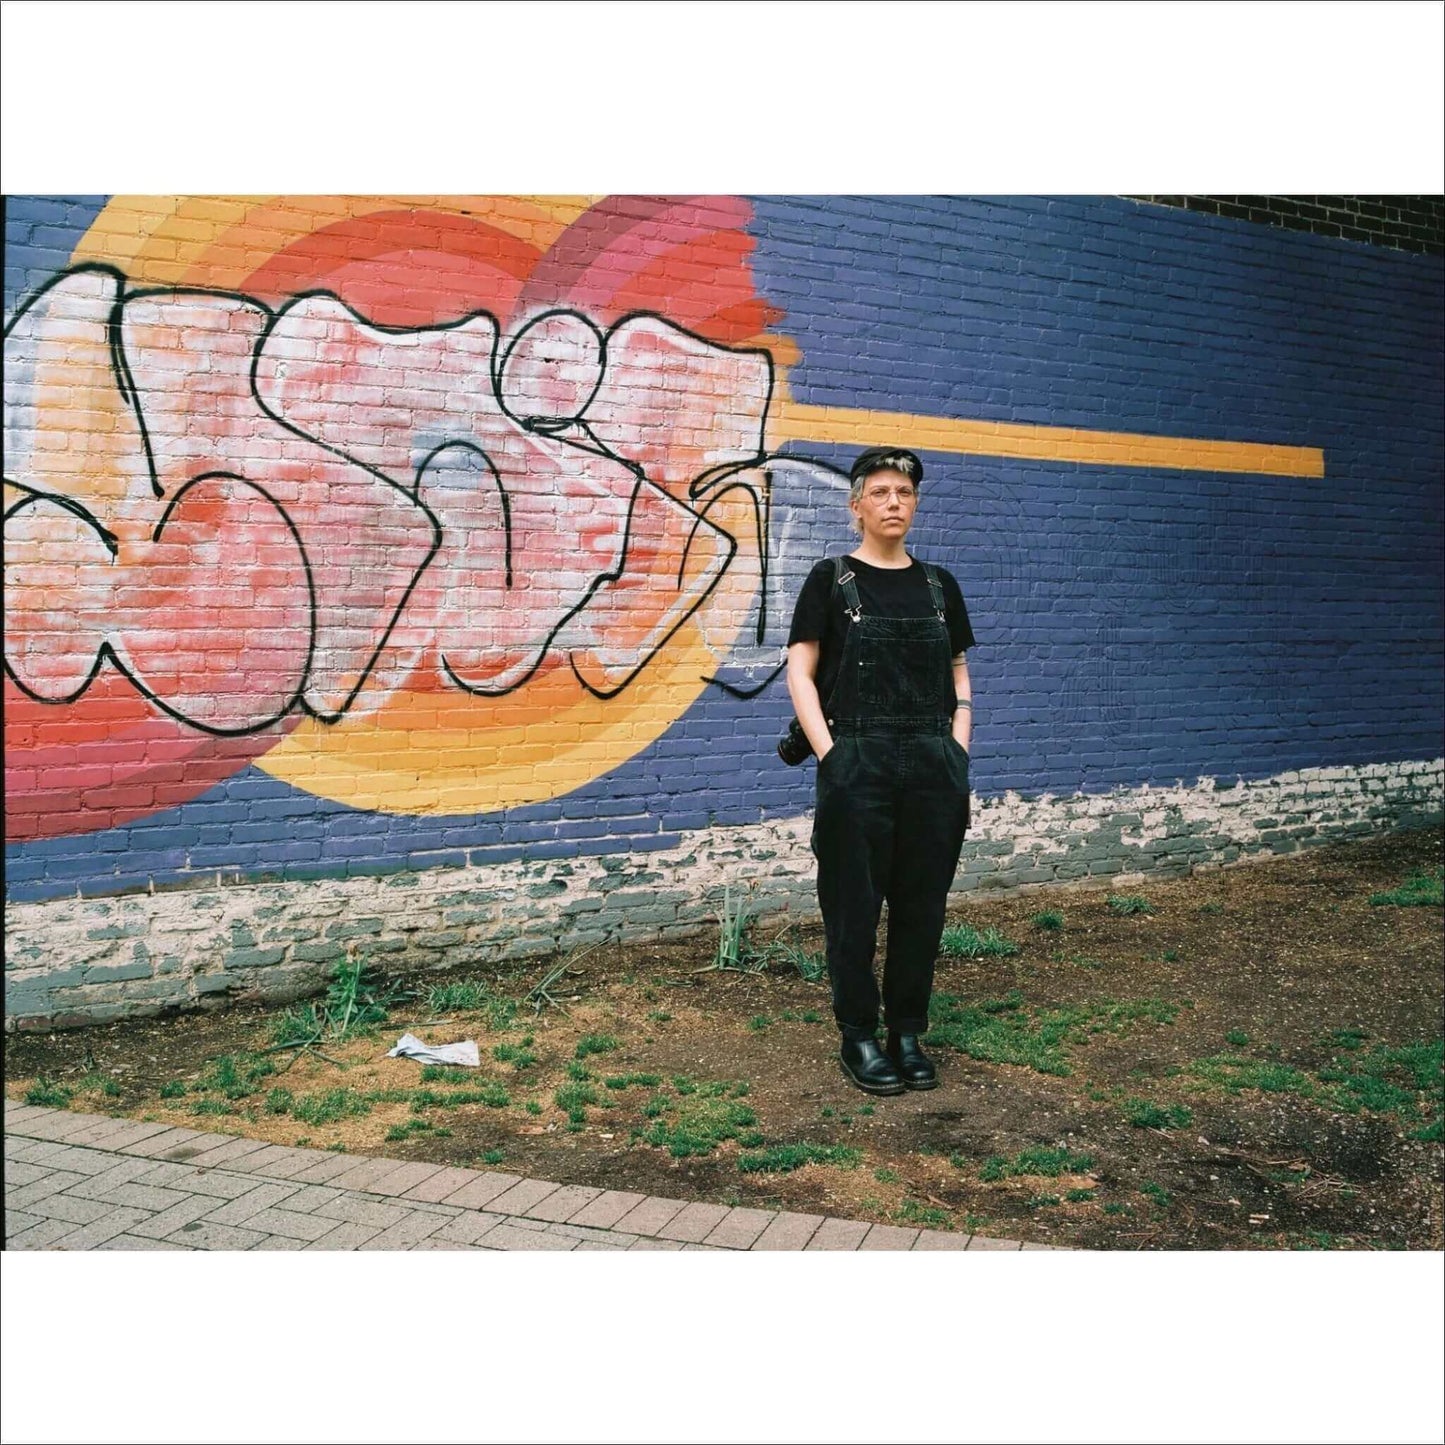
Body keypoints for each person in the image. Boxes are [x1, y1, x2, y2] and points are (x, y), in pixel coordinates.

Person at [786, 446, 975, 1095]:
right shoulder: (830, 579)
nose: (894, 502)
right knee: (853, 910)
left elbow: (957, 670)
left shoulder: (939, 586)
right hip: (857, 763)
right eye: (880, 492)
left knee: (922, 907)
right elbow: (800, 673)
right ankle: (859, 1035)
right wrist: (831, 755)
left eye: (905, 492)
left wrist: (957, 746)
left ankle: (907, 1033)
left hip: (932, 766)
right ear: (856, 506)